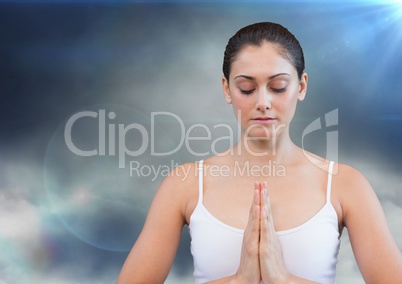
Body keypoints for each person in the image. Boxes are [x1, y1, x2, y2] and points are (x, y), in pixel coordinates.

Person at [117, 22, 402, 284]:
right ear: (227, 89)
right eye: (246, 88)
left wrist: (283, 279)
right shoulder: (185, 184)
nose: (263, 102)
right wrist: (239, 280)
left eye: (278, 87)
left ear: (301, 86)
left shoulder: (345, 185)